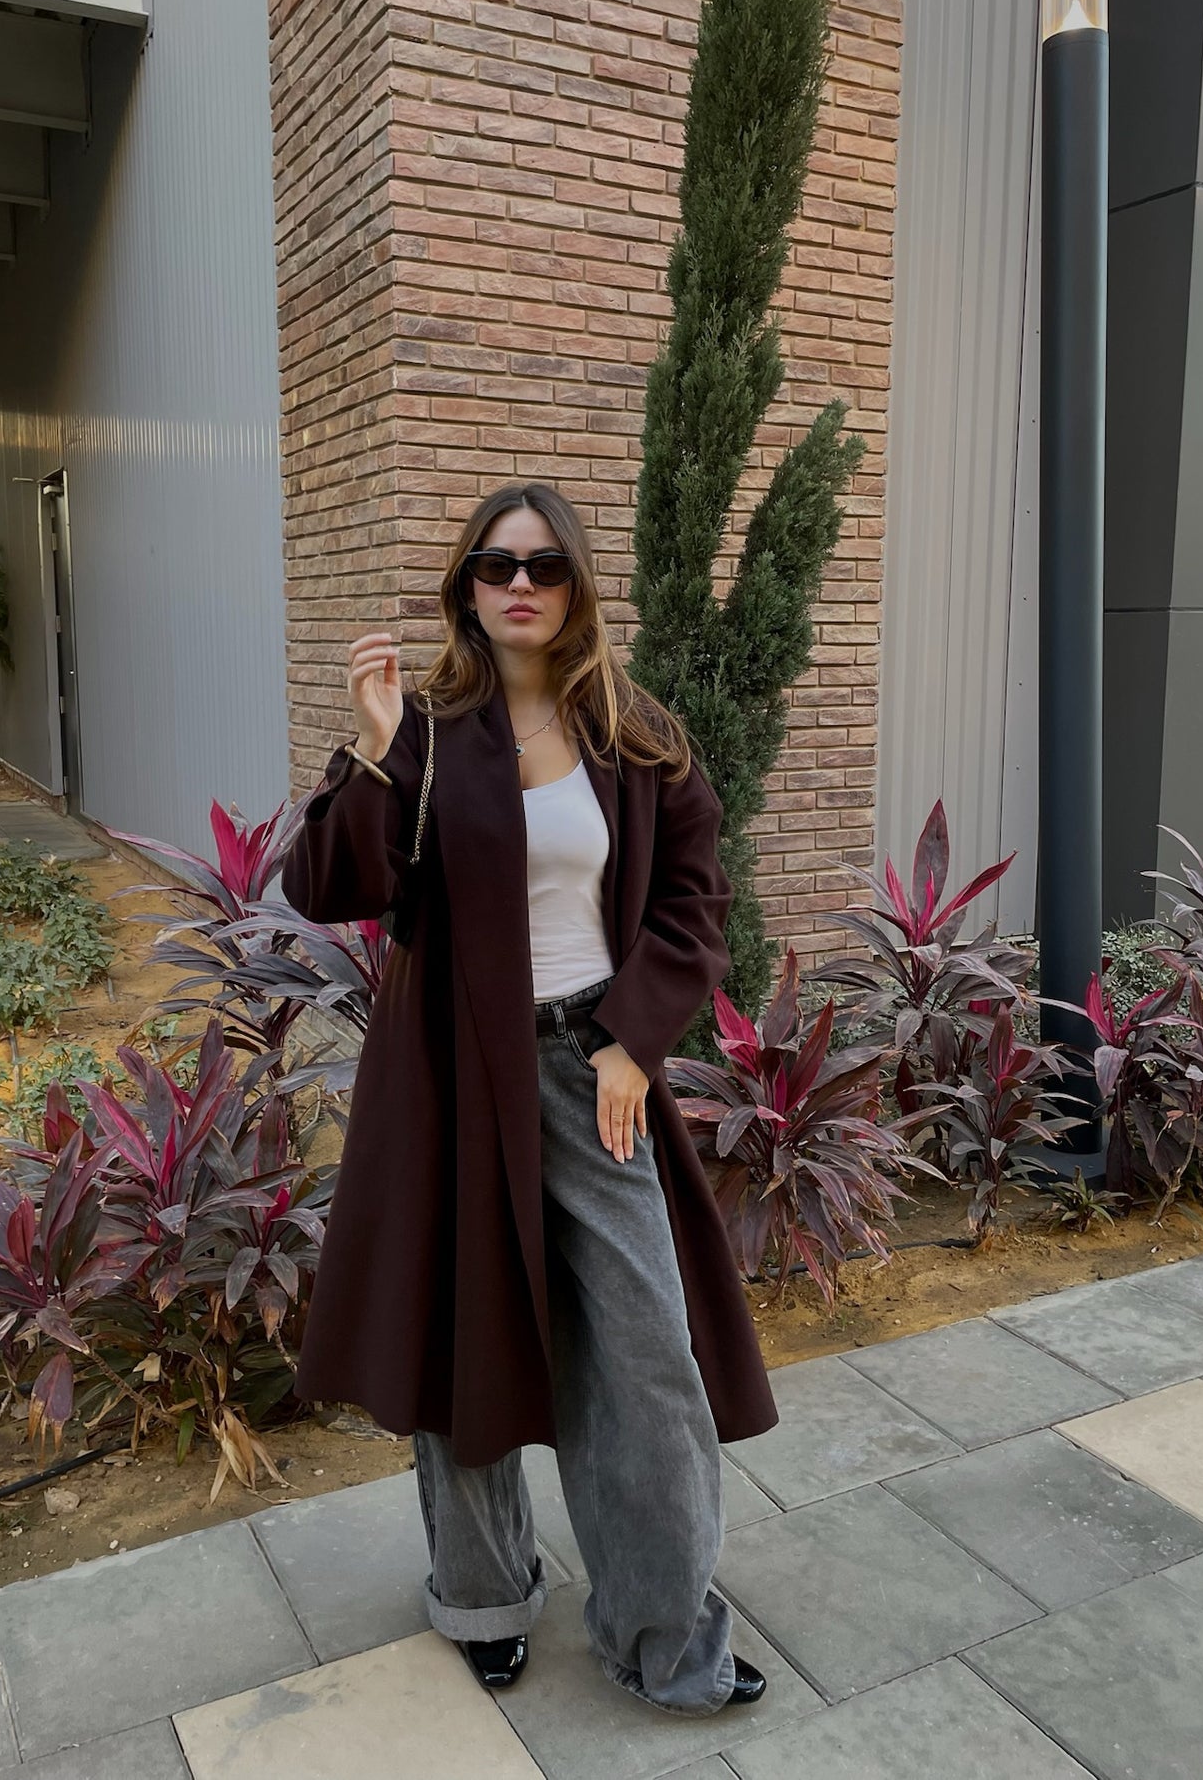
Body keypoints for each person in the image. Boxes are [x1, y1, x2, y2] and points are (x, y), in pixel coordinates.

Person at [281, 480, 779, 1716]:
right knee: (466, 1340)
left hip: (591, 1070)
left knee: (647, 1354)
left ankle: (664, 1629)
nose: (518, 584)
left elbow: (694, 899)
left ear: (575, 587)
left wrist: (631, 1043)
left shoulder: (632, 732)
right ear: (465, 585)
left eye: (543, 565)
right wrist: (375, 748)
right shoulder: (426, 728)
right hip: (452, 1076)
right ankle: (484, 1596)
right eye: (495, 565)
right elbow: (328, 886)